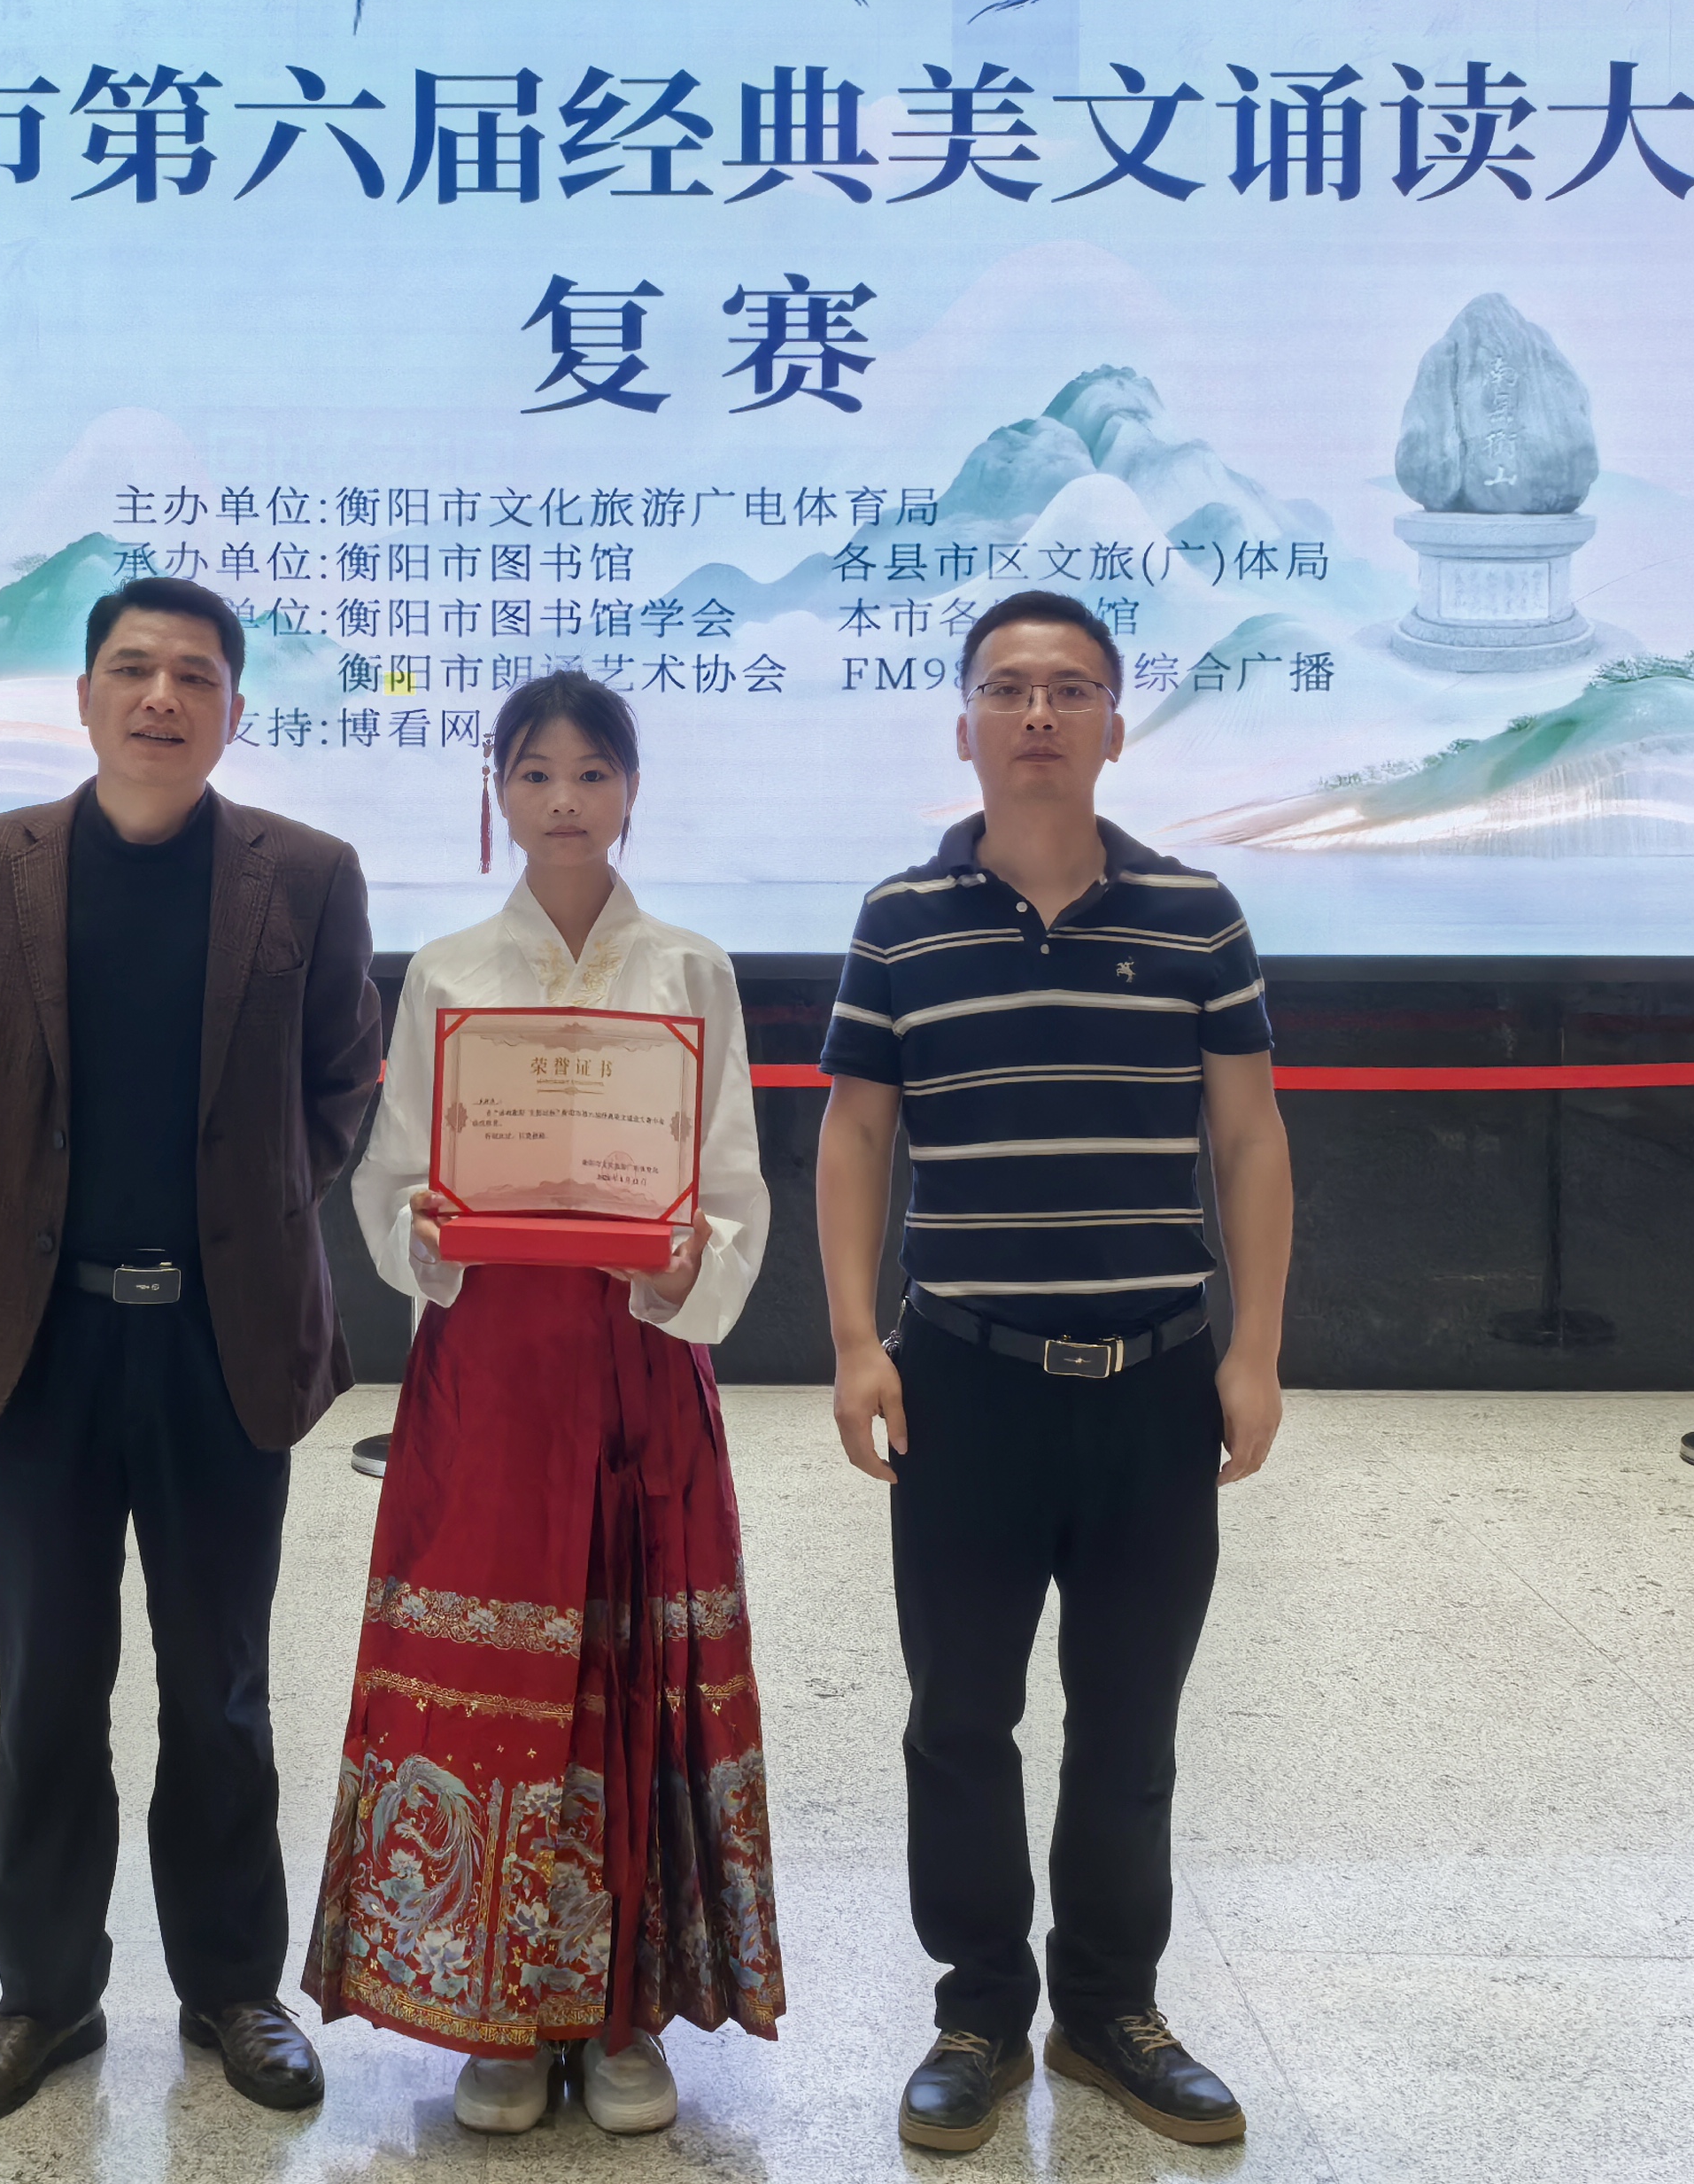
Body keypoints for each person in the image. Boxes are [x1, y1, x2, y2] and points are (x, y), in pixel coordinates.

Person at [813, 589, 1292, 2155]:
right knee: (959, 1715)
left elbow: (1249, 1138)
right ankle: (975, 2012)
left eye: (1069, 689)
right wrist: (854, 1341)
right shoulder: (901, 918)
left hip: (1157, 1382)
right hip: (966, 1381)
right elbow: (857, 1134)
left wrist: (1257, 1353)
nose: (1037, 715)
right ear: (963, 724)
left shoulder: (1197, 914)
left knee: (1131, 1717)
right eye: (1008, 689)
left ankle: (1107, 2008)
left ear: (1114, 726)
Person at [0, 577, 383, 2131]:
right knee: (46, 1684)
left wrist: (246, 1217)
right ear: (85, 696)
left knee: (221, 1687)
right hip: (39, 1339)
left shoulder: (304, 875)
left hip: (218, 1338)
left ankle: (233, 1986)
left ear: (235, 708)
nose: (161, 697)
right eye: (131, 669)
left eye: (195, 675)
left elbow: (342, 1085)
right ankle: (42, 1995)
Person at [304, 671, 783, 2137]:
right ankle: (492, 2015)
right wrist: (426, 1231)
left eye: (590, 772)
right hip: (494, 1373)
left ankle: (624, 2012)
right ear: (498, 794)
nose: (564, 801)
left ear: (631, 790)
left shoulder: (691, 969)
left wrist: (690, 1260)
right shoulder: (449, 973)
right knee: (489, 1671)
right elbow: (394, 1179)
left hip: (637, 1359)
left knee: (630, 1668)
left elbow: (732, 1178)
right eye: (534, 773)